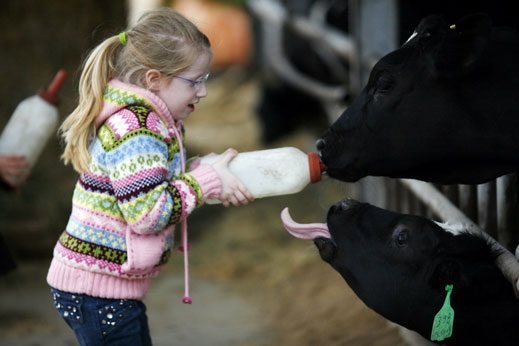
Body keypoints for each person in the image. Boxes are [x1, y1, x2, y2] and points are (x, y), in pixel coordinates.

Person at [46, 8, 254, 345]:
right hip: (97, 293)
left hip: (105, 289)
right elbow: (147, 213)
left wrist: (204, 171)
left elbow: (151, 183)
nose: (203, 92)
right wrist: (203, 182)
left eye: (205, 79)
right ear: (153, 79)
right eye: (195, 81)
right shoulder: (138, 129)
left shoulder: (151, 120)